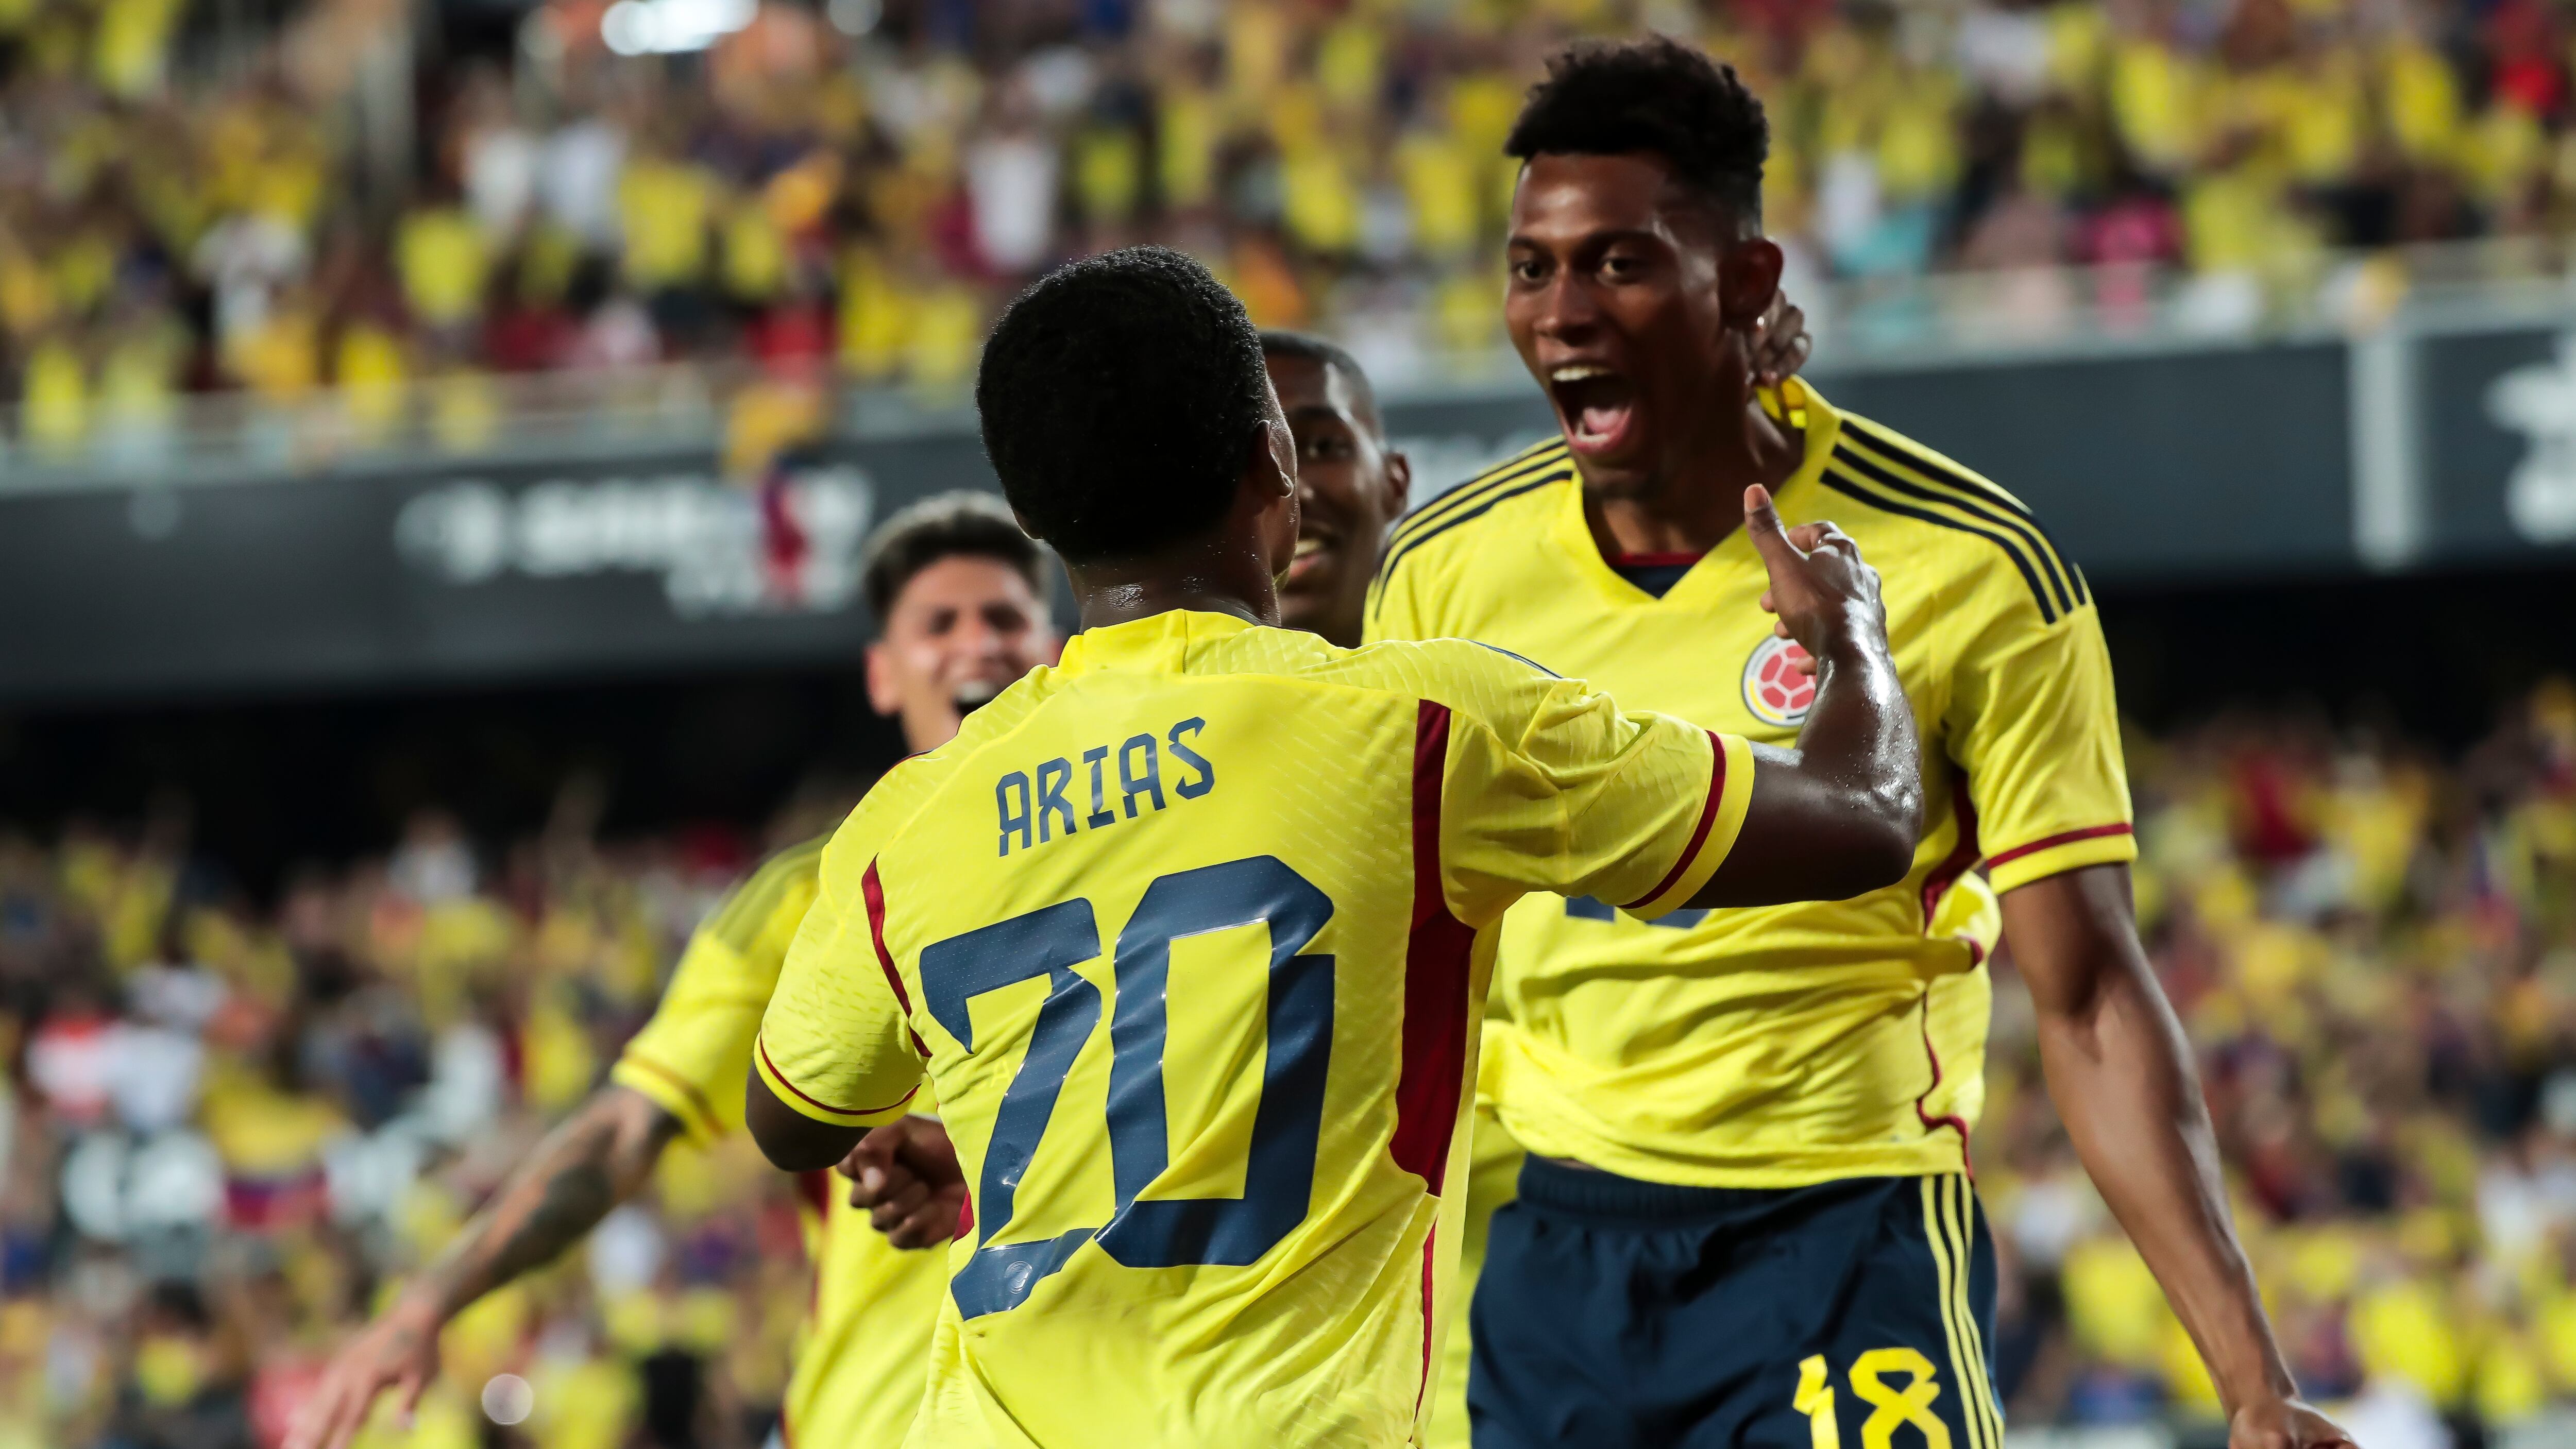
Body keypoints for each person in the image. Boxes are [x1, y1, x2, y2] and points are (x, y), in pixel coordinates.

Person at [740, 243, 1920, 1448]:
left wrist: (1016, 1140)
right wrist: (1849, 639)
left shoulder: (908, 819)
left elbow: (791, 1121)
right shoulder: (1427, 728)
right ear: (1275, 465)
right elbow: (1864, 817)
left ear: (1031, 518)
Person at [1363, 37, 2354, 1449]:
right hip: (1555, 1254)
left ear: (1747, 283)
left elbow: (2086, 998)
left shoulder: (1967, 565)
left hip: (1843, 1235)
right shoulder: (1443, 574)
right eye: (1533, 269)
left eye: (1621, 264)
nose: (1563, 312)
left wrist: (2252, 1380)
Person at [284, 491, 1059, 1449]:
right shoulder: (806, 897)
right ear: (882, 673)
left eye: (1004, 617)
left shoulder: (1159, 846)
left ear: (1055, 649)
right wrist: (426, 1300)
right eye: (939, 624)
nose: (977, 644)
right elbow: (625, 1128)